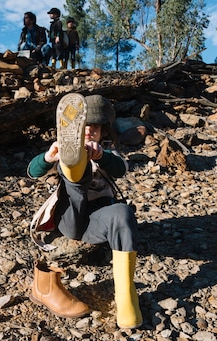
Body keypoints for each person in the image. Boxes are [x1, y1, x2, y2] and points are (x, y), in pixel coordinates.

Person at [27, 93, 143, 329]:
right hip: (70, 214)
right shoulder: (60, 152)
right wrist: (50, 156)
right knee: (73, 176)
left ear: (102, 134)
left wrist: (100, 155)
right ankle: (74, 166)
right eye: (84, 127)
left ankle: (126, 301)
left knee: (122, 213)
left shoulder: (108, 154)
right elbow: (32, 171)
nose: (90, 131)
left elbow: (121, 169)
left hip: (97, 219)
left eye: (95, 129)